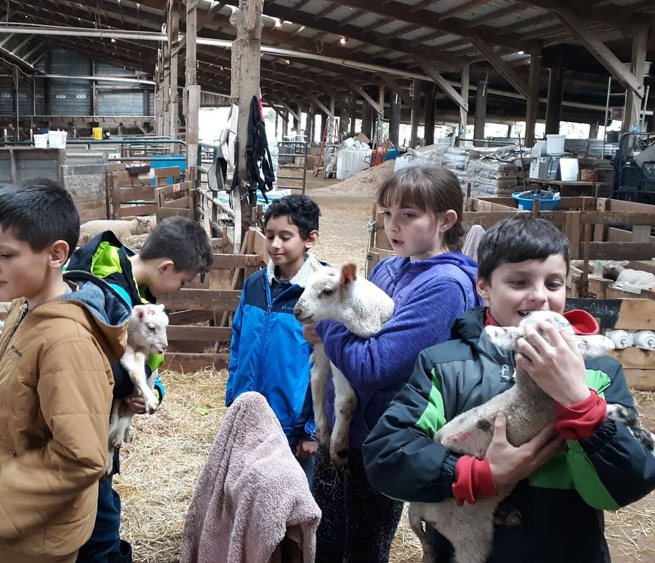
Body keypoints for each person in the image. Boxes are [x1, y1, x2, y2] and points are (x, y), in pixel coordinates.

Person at [364, 215, 655, 561]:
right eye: (518, 282)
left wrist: (580, 403)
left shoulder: (599, 373)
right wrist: (478, 474)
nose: (539, 297)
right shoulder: (445, 365)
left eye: (553, 284)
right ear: (483, 286)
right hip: (469, 547)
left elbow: (625, 486)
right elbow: (386, 456)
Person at [0, 178, 132, 562]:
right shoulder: (24, 310)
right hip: (7, 521)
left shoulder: (67, 342)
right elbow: (2, 410)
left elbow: (82, 456)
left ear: (56, 254)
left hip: (32, 535)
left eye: (6, 255)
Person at [304, 165, 481, 562]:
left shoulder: (445, 287)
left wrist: (327, 327)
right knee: (327, 538)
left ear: (446, 220)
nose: (393, 225)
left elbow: (374, 364)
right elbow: (357, 319)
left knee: (363, 547)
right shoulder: (389, 267)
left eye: (409, 215)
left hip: (383, 439)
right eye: (387, 214)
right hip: (343, 427)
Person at [67, 215, 213, 563]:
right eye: (183, 280)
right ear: (166, 267)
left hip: (105, 434)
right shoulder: (102, 293)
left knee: (103, 511)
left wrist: (152, 391)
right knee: (97, 528)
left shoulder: (142, 297)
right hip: (83, 433)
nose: (180, 289)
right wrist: (126, 388)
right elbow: (83, 365)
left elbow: (146, 361)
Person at [226, 194, 323, 483]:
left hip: (292, 426)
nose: (275, 245)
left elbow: (329, 366)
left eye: (285, 236)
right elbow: (238, 343)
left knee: (289, 499)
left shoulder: (321, 291)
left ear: (310, 239)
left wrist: (313, 429)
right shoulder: (255, 284)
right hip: (249, 413)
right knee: (248, 489)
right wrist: (234, 397)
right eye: (270, 236)